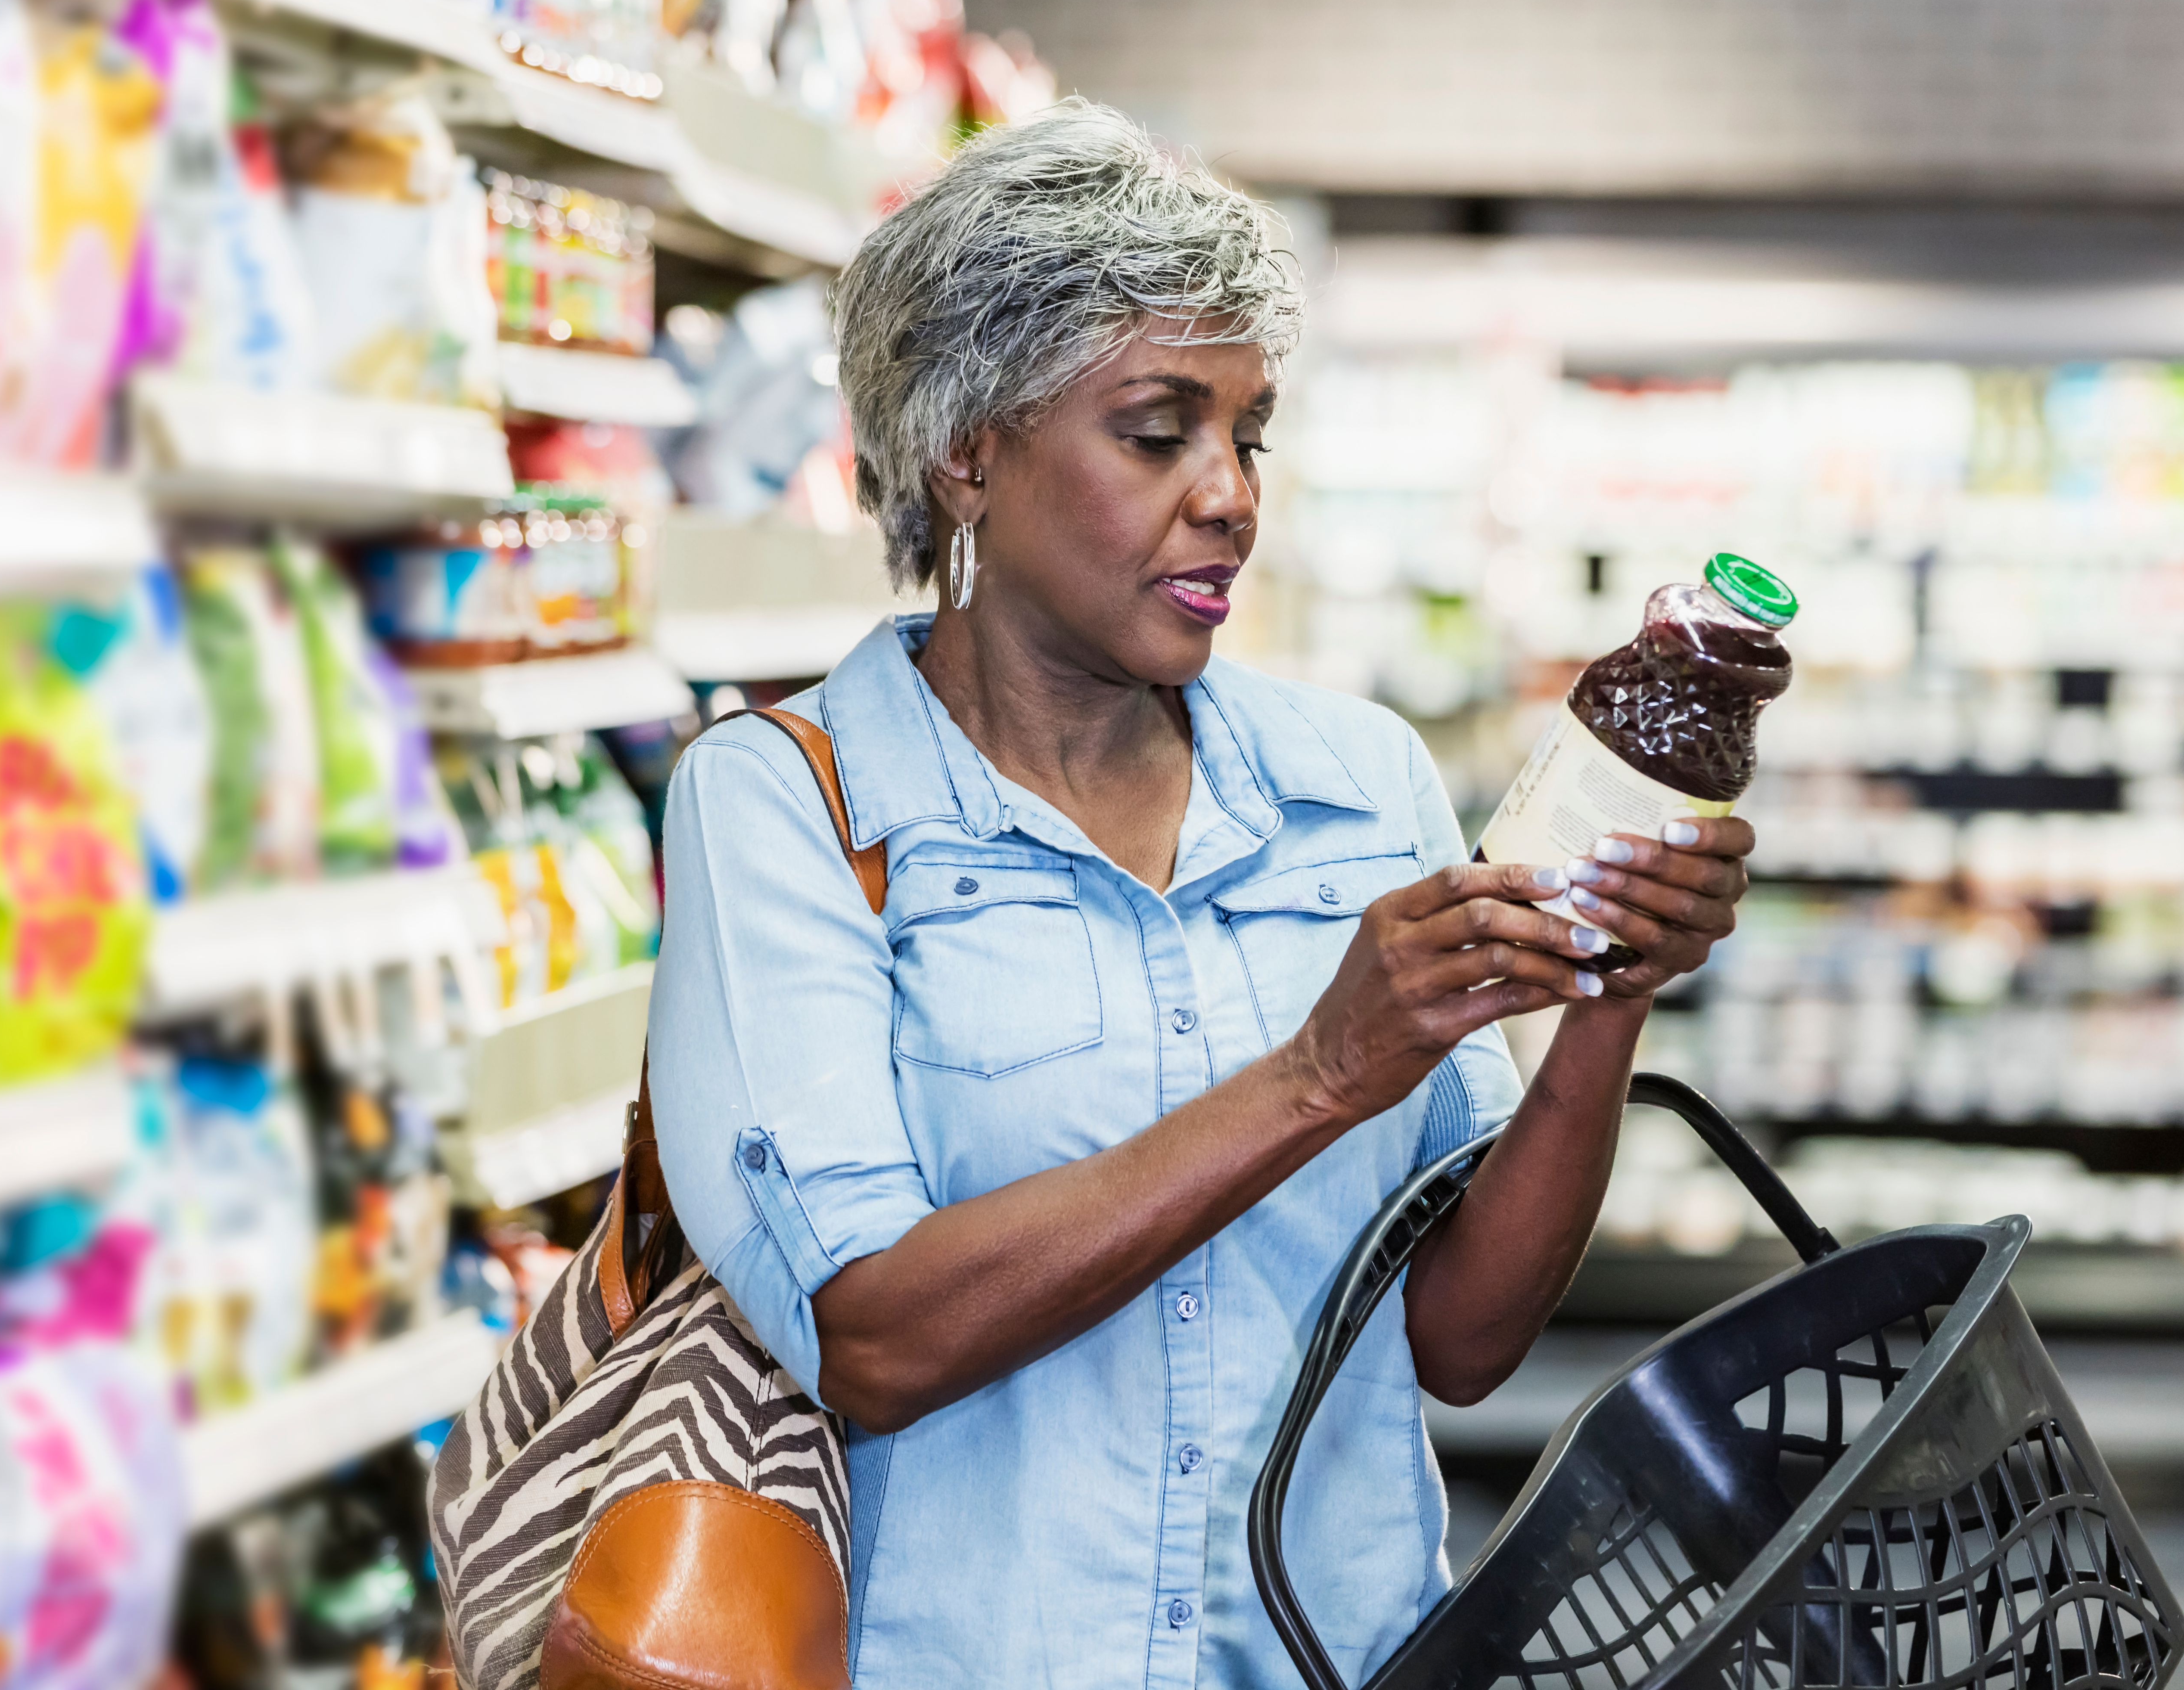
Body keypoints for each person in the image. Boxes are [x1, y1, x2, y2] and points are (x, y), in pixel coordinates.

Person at [645, 100, 1757, 1689]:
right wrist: (1318, 1075)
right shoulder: (791, 805)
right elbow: (874, 1339)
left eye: (1251, 435)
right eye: (1160, 432)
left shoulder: (1354, 783)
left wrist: (1605, 1000)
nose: (1230, 493)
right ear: (967, 450)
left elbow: (1461, 1339)